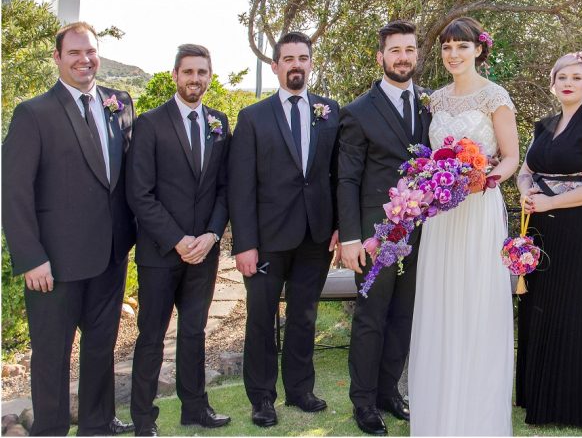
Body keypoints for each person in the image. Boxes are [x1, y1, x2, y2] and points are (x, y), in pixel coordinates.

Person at [1, 22, 137, 436]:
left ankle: (98, 423)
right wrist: (31, 257)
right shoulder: (34, 114)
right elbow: (13, 191)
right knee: (52, 355)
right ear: (58, 57)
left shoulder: (120, 102)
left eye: (90, 51)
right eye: (74, 52)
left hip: (110, 255)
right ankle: (51, 429)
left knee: (100, 347)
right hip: (54, 263)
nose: (84, 59)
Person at [408, 17, 519, 436]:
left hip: (478, 208)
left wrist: (485, 179)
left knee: (475, 298)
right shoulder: (435, 100)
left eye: (461, 46)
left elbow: (511, 155)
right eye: (447, 47)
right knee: (441, 299)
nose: (453, 54)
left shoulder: (495, 96)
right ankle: (439, 411)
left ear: (479, 50)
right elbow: (429, 155)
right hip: (441, 215)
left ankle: (476, 416)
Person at [228, 32, 340, 427]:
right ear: (275, 66)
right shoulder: (252, 117)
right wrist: (244, 244)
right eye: (288, 59)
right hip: (266, 240)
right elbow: (240, 186)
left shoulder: (330, 111)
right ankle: (262, 398)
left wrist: (339, 226)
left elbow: (336, 174)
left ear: (310, 63)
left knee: (304, 316)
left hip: (315, 236)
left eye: (302, 58)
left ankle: (300, 390)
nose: (296, 65)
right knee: (261, 320)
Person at [126, 44, 231, 436]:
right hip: (160, 253)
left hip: (203, 253)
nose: (195, 79)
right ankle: (143, 419)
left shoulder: (219, 122)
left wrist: (211, 235)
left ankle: (195, 408)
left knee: (193, 333)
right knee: (151, 337)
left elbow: (225, 188)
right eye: (188, 72)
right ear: (175, 75)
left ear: (209, 77)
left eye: (202, 72)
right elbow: (140, 193)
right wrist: (177, 239)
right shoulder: (151, 123)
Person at [338, 19, 432, 436]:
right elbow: (346, 179)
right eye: (395, 50)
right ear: (380, 57)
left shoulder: (430, 106)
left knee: (404, 315)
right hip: (375, 234)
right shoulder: (357, 111)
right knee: (371, 317)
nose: (403, 57)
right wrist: (351, 237)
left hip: (422, 232)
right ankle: (363, 402)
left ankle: (389, 391)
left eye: (409, 50)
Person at [518, 51, 582, 430]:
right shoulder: (544, 126)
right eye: (562, 77)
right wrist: (526, 192)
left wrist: (551, 202)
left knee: (576, 305)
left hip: (581, 226)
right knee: (540, 304)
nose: (568, 83)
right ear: (553, 83)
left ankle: (574, 402)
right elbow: (525, 171)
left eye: (577, 77)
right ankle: (538, 394)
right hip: (542, 226)